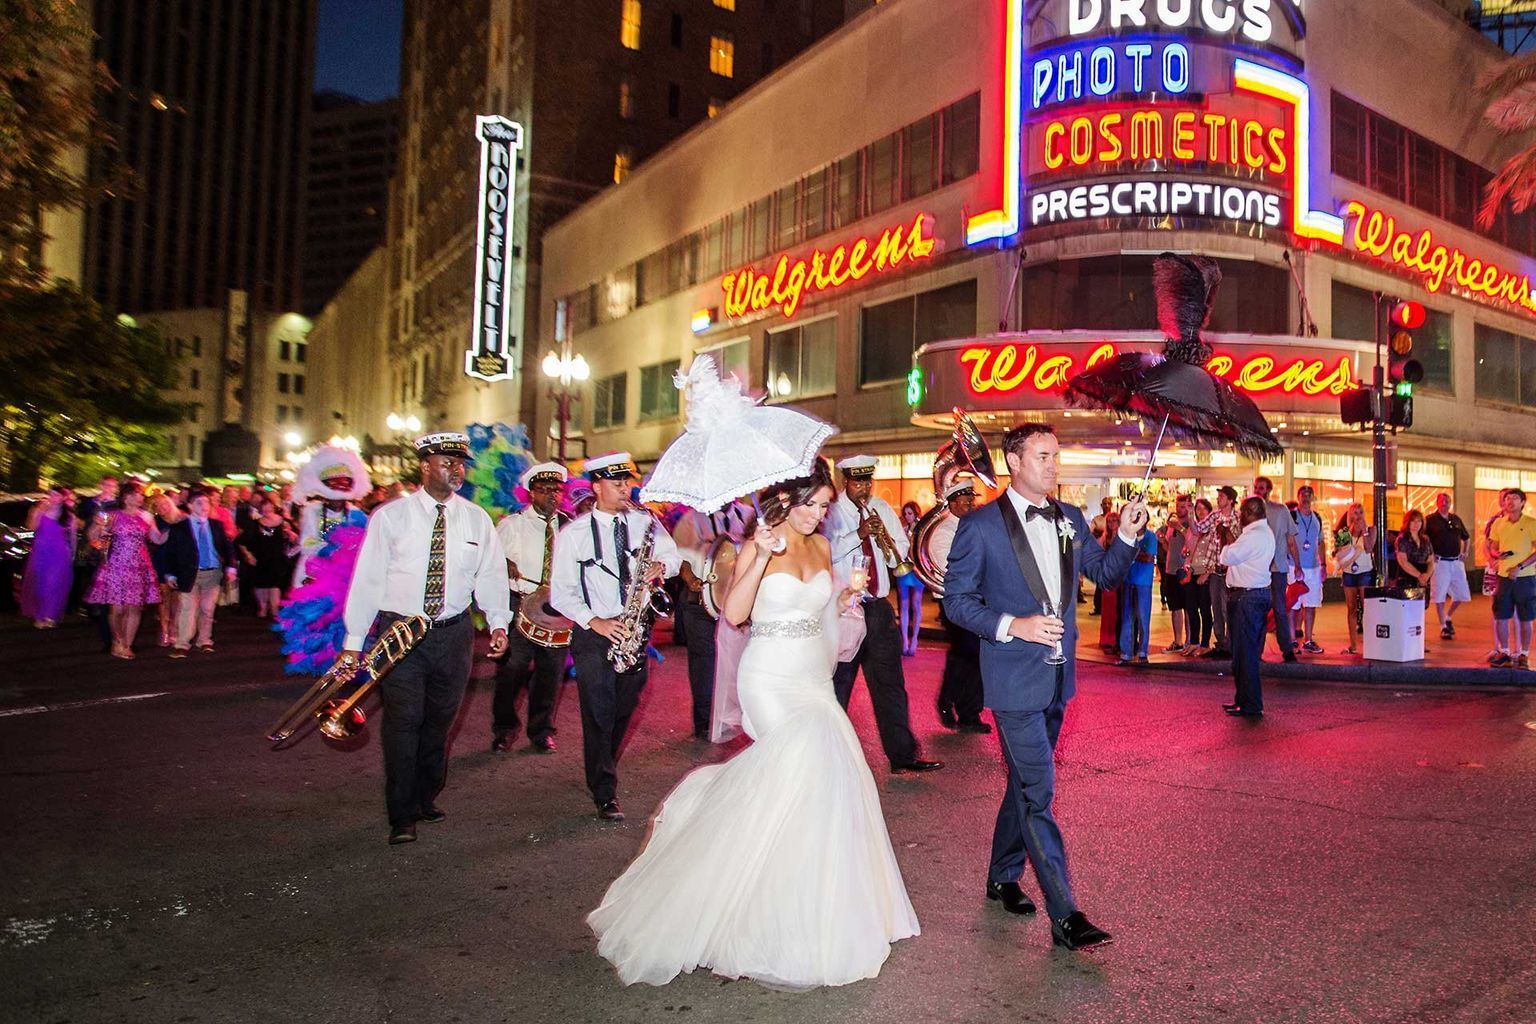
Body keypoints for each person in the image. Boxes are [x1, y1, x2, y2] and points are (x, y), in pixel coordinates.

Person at [586, 461, 919, 988]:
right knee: (807, 764)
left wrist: (845, 599)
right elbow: (735, 615)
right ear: (785, 500)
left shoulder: (823, 547)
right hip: (768, 678)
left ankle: (809, 900)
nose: (818, 514)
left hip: (811, 675)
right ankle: (748, 897)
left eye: (825, 506)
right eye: (811, 504)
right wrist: (759, 555)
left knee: (820, 783)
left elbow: (826, 609)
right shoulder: (759, 544)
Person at [943, 423, 1145, 951]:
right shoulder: (981, 526)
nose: (1054, 466)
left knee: (1023, 784)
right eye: (1043, 456)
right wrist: (1015, 625)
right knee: (1039, 791)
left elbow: (1103, 575)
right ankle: (1067, 915)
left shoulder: (1070, 518)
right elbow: (957, 603)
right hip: (1011, 682)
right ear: (1014, 461)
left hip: (1058, 680)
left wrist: (1123, 534)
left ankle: (1001, 875)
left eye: (1057, 456)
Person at [342, 432, 511, 844]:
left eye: (460, 463)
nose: (456, 469)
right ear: (424, 465)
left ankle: (425, 794)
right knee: (403, 721)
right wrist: (353, 641)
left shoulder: (476, 519)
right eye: (446, 462)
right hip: (400, 632)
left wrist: (498, 622)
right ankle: (401, 813)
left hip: (452, 635)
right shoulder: (390, 517)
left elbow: (489, 575)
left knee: (439, 722)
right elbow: (368, 579)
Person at [550, 452, 682, 821]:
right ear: (596, 487)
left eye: (627, 481)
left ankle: (603, 758)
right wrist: (594, 621)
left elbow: (674, 556)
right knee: (598, 709)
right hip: (595, 632)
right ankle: (604, 789)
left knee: (625, 705)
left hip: (635, 626)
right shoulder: (573, 534)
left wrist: (662, 565)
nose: (626, 488)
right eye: (616, 482)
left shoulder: (646, 523)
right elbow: (560, 593)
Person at [826, 455, 943, 774]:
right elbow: (828, 551)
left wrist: (891, 547)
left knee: (891, 684)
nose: (863, 489)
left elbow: (901, 549)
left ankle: (902, 754)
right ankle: (826, 759)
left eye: (867, 482)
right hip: (845, 607)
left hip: (877, 607)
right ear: (844, 482)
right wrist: (860, 534)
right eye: (857, 482)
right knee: (838, 686)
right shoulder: (831, 512)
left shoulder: (881, 507)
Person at [491, 461, 569, 754]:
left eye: (557, 490)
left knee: (550, 672)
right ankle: (504, 728)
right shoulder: (512, 526)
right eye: (544, 490)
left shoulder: (570, 527)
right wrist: (504, 564)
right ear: (531, 494)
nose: (552, 495)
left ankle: (541, 731)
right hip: (520, 604)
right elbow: (489, 565)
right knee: (512, 669)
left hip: (555, 607)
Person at [672, 497, 753, 739]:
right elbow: (680, 560)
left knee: (740, 659)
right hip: (700, 600)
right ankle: (705, 721)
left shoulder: (748, 515)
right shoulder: (692, 519)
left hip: (736, 600)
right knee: (704, 663)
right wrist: (690, 580)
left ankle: (741, 714)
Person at [930, 479, 988, 733]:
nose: (970, 506)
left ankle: (968, 712)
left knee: (972, 656)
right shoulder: (944, 532)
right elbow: (949, 568)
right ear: (952, 503)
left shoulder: (972, 528)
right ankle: (950, 701)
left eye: (971, 501)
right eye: (965, 502)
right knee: (967, 654)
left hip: (975, 600)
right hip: (953, 601)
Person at [85, 481, 166, 659]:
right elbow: (92, 537)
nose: (142, 496)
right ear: (127, 496)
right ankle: (117, 641)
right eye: (138, 493)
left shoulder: (146, 516)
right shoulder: (113, 515)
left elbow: (157, 539)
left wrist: (172, 526)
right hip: (117, 564)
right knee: (118, 608)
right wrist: (97, 524)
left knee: (135, 607)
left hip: (139, 564)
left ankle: (127, 644)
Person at [160, 489, 236, 657]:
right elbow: (170, 553)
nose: (204, 506)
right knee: (188, 609)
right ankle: (182, 644)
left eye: (207, 502)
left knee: (207, 609)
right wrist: (170, 574)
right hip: (190, 573)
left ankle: (205, 640)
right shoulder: (180, 528)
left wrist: (231, 567)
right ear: (190, 506)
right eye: (199, 503)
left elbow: (228, 547)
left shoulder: (216, 525)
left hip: (213, 573)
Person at [1219, 497, 1274, 718]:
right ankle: (1243, 700)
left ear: (1250, 512)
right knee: (1243, 653)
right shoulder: (1262, 533)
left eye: (1242, 511)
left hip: (1247, 597)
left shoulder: (1254, 535)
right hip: (1252, 595)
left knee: (1246, 653)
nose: (1240, 515)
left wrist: (1225, 541)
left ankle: (1251, 703)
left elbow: (1228, 556)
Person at [1487, 488, 1536, 669]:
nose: (1510, 501)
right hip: (1503, 577)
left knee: (1526, 617)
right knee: (1501, 616)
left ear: (1523, 503)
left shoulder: (1531, 523)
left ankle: (1523, 654)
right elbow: (1492, 545)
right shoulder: (1499, 523)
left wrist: (1520, 566)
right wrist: (1496, 553)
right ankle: (1505, 652)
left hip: (1525, 578)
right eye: (1507, 498)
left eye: (1515, 498)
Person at [1252, 476, 1299, 662]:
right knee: (1261, 611)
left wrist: (1298, 564)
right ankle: (1259, 650)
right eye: (1256, 487)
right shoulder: (1251, 511)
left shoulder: (1280, 510)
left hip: (1276, 567)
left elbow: (1291, 540)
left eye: (1261, 488)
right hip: (1259, 568)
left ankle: (1286, 649)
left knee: (1278, 609)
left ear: (1269, 490)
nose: (1258, 490)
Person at [73, 475, 120, 650]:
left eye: (112, 485)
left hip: (112, 552)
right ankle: (96, 615)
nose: (109, 488)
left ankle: (111, 638)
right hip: (92, 552)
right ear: (100, 485)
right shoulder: (89, 504)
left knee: (110, 599)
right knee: (92, 591)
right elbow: (81, 525)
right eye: (106, 485)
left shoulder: (117, 505)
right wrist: (93, 522)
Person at [20, 487, 77, 628]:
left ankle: (50, 615)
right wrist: (38, 511)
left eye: (57, 495)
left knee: (54, 583)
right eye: (51, 494)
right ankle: (40, 615)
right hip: (41, 552)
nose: (53, 497)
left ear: (63, 497)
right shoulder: (41, 510)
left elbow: (72, 536)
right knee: (40, 583)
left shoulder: (68, 516)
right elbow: (31, 526)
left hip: (59, 554)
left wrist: (73, 554)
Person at [1191, 486, 1237, 658]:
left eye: (1222, 496)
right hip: (1215, 569)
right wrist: (1190, 513)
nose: (1219, 499)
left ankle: (1230, 643)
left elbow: (1240, 541)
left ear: (1231, 500)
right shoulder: (1215, 516)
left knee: (1227, 608)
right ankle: (1221, 643)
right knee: (1216, 608)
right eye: (1219, 496)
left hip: (1230, 570)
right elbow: (1198, 528)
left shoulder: (1237, 518)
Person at [238, 496, 297, 618]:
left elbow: (297, 538)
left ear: (274, 507)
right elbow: (241, 541)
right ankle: (263, 607)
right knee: (261, 584)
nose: (267, 509)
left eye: (269, 506)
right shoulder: (254, 524)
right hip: (260, 558)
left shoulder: (284, 522)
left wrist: (291, 535)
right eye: (263, 507)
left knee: (275, 584)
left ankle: (274, 608)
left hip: (278, 558)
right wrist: (248, 555)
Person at [1424, 492, 1471, 641]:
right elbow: (1423, 539)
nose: (1445, 503)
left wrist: (1466, 551)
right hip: (1440, 563)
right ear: (1437, 503)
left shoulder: (1455, 519)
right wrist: (1430, 555)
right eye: (1442, 501)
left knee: (1461, 594)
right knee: (1439, 595)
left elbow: (1466, 537)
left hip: (1456, 562)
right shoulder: (1430, 520)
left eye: (1448, 501)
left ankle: (1448, 616)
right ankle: (1443, 626)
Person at [1334, 503, 1376, 656]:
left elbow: (1370, 548)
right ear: (1350, 515)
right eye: (1355, 513)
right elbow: (1337, 553)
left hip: (1365, 571)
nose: (1358, 516)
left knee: (1367, 608)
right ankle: (1353, 644)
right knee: (1351, 608)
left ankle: (1371, 643)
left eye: (1360, 512)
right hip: (1348, 572)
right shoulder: (1344, 532)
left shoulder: (1371, 529)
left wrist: (1364, 531)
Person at [1117, 517, 1157, 666]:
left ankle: (1143, 651)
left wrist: (1133, 553)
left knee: (1142, 618)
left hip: (1143, 583)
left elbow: (1148, 558)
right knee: (1127, 618)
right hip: (1128, 580)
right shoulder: (1129, 535)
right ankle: (1126, 651)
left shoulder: (1150, 537)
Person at [1291, 486, 1326, 654]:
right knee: (1293, 605)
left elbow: (1320, 542)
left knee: (1311, 604)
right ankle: (1291, 640)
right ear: (1298, 497)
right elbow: (1288, 541)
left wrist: (1324, 565)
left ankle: (1308, 640)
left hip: (1313, 568)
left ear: (1313, 498)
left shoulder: (1317, 518)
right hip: (1294, 566)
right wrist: (1295, 565)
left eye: (1309, 495)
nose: (1306, 498)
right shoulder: (1292, 516)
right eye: (1303, 495)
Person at [150, 491, 186, 646]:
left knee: (178, 597)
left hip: (179, 559)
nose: (162, 507)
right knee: (163, 596)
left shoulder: (183, 517)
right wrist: (172, 529)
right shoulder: (155, 521)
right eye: (158, 505)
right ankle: (164, 627)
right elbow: (156, 539)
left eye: (164, 503)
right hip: (162, 559)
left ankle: (174, 628)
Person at [1182, 497, 1215, 656]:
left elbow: (1216, 553)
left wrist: (1207, 573)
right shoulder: (1192, 528)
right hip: (1191, 572)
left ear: (1210, 511)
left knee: (1205, 610)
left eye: (1203, 509)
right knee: (1191, 609)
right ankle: (1194, 642)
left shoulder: (1213, 529)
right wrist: (1186, 554)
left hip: (1204, 572)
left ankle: (1205, 643)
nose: (1200, 512)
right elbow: (1187, 547)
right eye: (1198, 509)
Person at [1158, 495, 1191, 653]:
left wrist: (1179, 527)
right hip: (1171, 569)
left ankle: (1190, 641)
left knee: (1188, 607)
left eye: (1183, 507)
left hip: (1184, 570)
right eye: (1178, 506)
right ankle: (1177, 640)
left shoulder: (1191, 523)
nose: (1179, 510)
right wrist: (1163, 541)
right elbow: (1169, 548)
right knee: (1175, 607)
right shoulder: (1172, 524)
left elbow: (1192, 540)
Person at [895, 500, 926, 656]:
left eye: (910, 513)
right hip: (905, 568)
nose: (907, 516)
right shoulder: (903, 529)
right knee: (904, 604)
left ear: (915, 513)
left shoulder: (921, 528)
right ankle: (905, 640)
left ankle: (914, 640)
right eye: (905, 514)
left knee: (916, 604)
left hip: (917, 570)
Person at [1393, 509, 1436, 594]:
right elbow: (1403, 562)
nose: (1416, 524)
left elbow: (1431, 560)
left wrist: (1427, 575)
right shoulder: (1402, 539)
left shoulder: (1425, 539)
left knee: (1422, 605)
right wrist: (1419, 576)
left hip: (1423, 579)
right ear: (1408, 522)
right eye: (1413, 521)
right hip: (1407, 579)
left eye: (1419, 521)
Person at [1096, 510, 1122, 651]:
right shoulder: (1105, 538)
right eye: (1109, 521)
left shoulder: (1121, 537)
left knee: (1116, 609)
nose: (1111, 524)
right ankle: (1106, 638)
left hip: (1118, 576)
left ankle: (1114, 639)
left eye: (1114, 521)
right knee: (1107, 608)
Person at [1088, 496, 1113, 615]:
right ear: (1101, 505)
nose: (1107, 505)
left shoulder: (1115, 518)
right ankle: (1098, 607)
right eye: (1105, 503)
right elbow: (1089, 534)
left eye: (1109, 503)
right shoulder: (1097, 520)